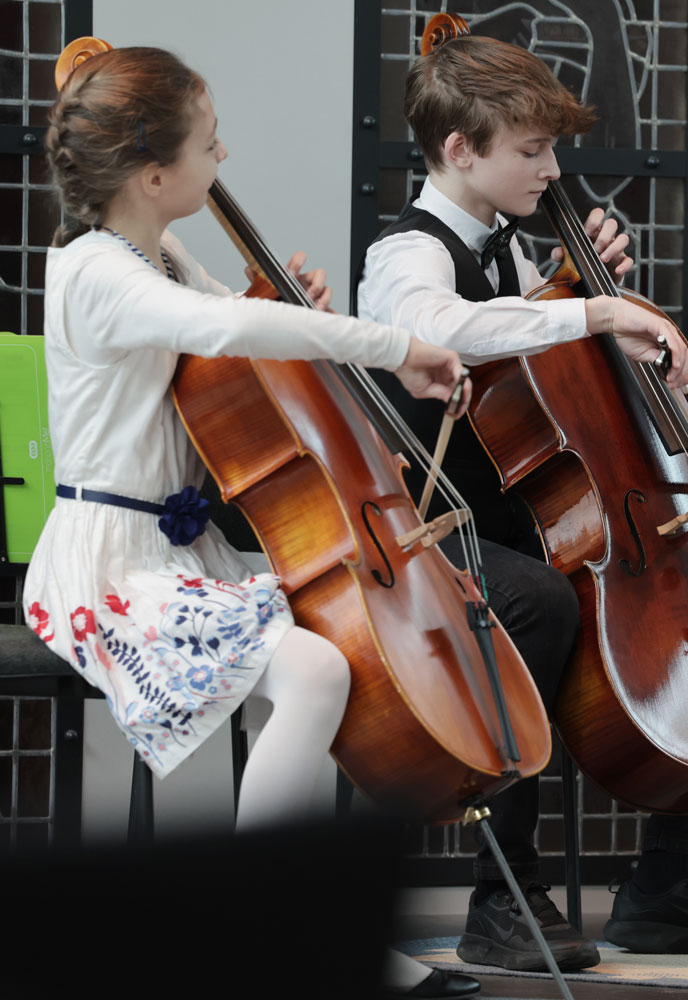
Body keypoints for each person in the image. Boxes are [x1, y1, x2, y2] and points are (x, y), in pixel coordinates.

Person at [27, 45, 482, 1000]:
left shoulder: (158, 254)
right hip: (106, 568)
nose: (223, 154)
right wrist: (391, 344)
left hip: (175, 551)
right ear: (153, 176)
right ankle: (265, 935)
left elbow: (236, 326)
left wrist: (284, 306)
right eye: (208, 143)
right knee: (314, 670)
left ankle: (296, 929)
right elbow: (228, 332)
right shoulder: (92, 271)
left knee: (335, 658)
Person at [356, 34, 688, 971]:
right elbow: (438, 327)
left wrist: (566, 289)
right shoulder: (404, 254)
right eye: (532, 150)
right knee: (540, 601)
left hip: (524, 524)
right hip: (429, 534)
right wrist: (595, 311)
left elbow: (532, 382)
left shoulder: (508, 249)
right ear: (460, 149)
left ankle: (672, 887)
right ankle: (501, 899)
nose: (552, 170)